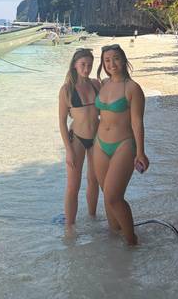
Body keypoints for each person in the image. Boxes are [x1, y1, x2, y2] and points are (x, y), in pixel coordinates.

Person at [94, 44, 149, 245]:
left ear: (124, 60)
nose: (111, 64)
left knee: (113, 197)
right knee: (106, 194)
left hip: (124, 145)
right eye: (107, 60)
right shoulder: (103, 84)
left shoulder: (132, 88)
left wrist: (141, 152)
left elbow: (137, 122)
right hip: (99, 145)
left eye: (116, 58)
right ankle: (114, 236)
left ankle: (132, 242)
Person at [58, 48, 101, 228]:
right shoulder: (67, 90)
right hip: (76, 140)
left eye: (89, 65)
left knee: (94, 181)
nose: (86, 69)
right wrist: (68, 150)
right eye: (83, 65)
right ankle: (70, 227)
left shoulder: (96, 85)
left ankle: (92, 219)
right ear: (75, 65)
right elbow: (61, 122)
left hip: (97, 139)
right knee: (73, 186)